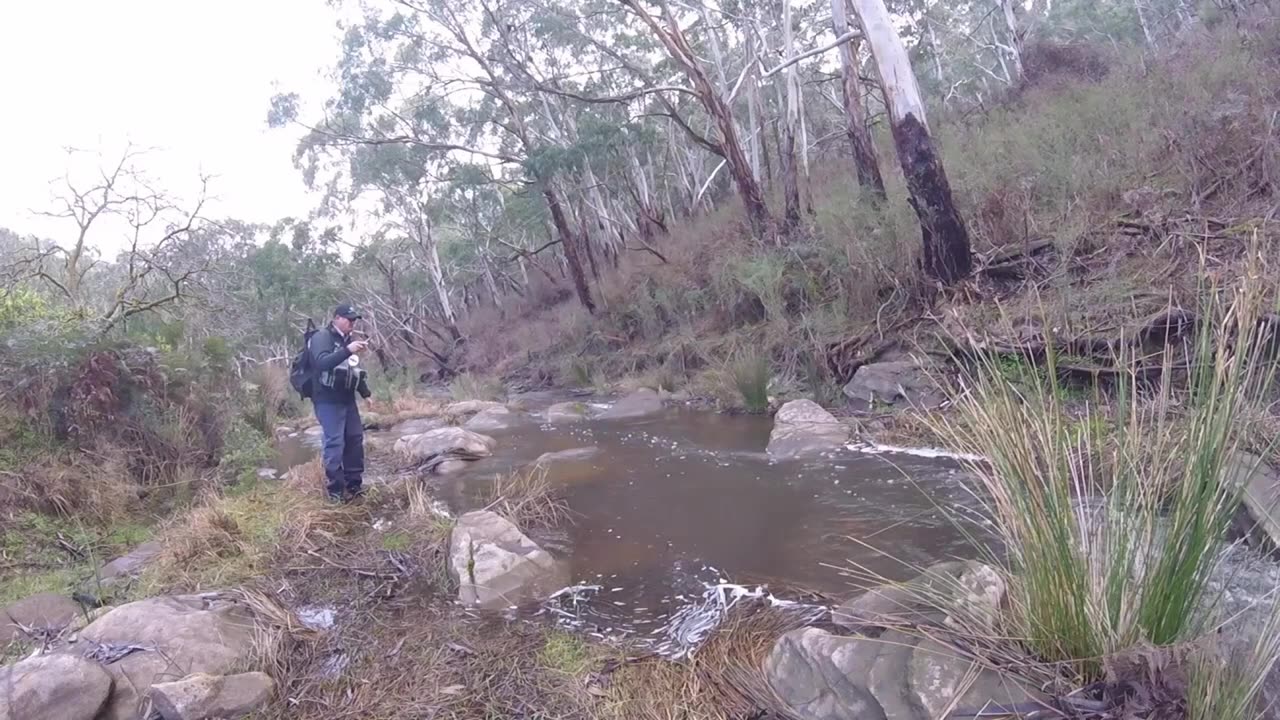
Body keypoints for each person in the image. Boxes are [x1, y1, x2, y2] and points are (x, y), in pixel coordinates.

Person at [309, 304, 373, 502]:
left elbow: (354, 370)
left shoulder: (348, 340)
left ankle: (355, 486)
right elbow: (321, 363)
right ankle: (336, 492)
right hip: (327, 401)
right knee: (335, 444)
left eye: (354, 320)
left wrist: (366, 394)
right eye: (348, 319)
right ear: (336, 318)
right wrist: (347, 350)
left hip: (347, 399)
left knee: (354, 440)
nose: (352, 323)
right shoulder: (321, 337)